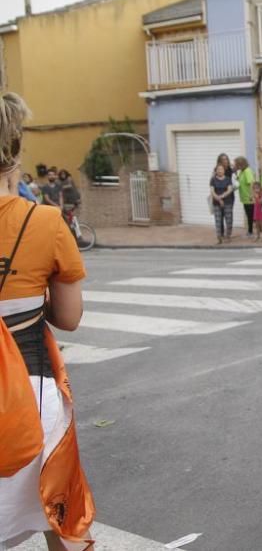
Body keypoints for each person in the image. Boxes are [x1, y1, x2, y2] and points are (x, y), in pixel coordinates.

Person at [0, 92, 94, 550]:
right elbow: (69, 318)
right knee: (61, 519)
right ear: (16, 150)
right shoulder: (46, 222)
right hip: (29, 395)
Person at [209, 163, 235, 244]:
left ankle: (228, 236)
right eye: (218, 169)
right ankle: (219, 237)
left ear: (224, 171)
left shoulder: (228, 179)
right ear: (216, 171)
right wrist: (218, 198)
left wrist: (222, 196)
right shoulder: (213, 179)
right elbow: (212, 191)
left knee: (229, 220)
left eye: (221, 169)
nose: (220, 171)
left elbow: (230, 189)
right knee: (218, 220)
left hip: (228, 202)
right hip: (216, 203)